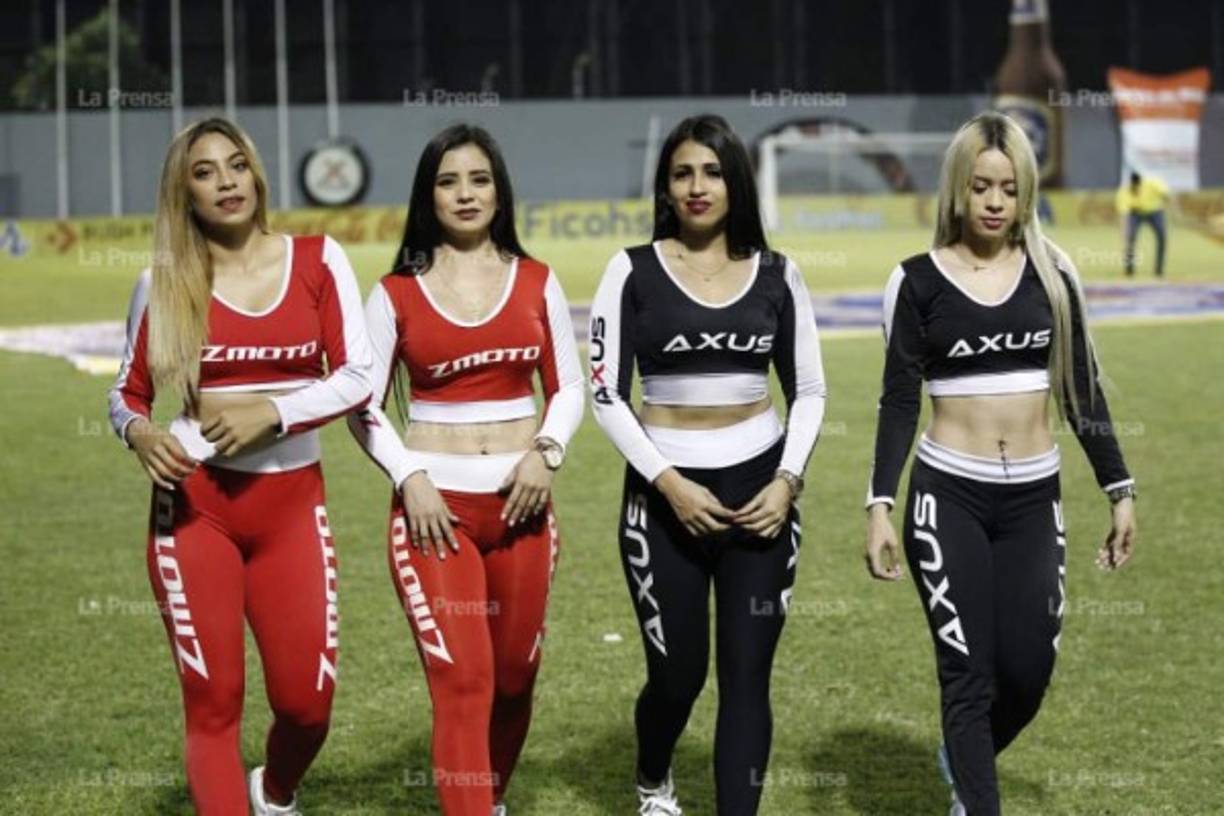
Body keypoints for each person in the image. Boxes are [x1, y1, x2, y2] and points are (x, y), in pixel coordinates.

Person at [863, 112, 1138, 816]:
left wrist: (1119, 488)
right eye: (981, 186)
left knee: (1027, 671)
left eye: (1008, 189)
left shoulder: (1053, 273)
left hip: (1031, 504)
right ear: (958, 188)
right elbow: (898, 402)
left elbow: (1083, 388)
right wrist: (880, 506)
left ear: (1025, 194)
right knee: (967, 675)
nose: (993, 202)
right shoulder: (916, 282)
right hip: (946, 497)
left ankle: (963, 758)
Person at [107, 117, 372, 815]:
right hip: (194, 511)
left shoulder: (319, 260)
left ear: (256, 174)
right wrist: (137, 432)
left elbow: (359, 376)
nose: (225, 181)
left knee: (307, 707)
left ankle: (275, 792)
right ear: (183, 194)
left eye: (235, 165)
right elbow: (126, 394)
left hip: (291, 509)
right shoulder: (162, 282)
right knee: (213, 705)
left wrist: (272, 414)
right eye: (204, 172)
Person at [588, 113, 827, 815]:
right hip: (663, 503)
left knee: (747, 679)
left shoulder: (779, 274)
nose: (698, 187)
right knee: (678, 676)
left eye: (713, 172)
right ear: (665, 185)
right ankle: (654, 779)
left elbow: (809, 391)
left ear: (736, 182)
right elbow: (605, 393)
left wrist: (787, 481)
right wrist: (667, 482)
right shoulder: (631, 270)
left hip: (762, 501)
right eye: (683, 173)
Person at [347, 124, 583, 816]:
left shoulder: (537, 280)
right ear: (428, 197)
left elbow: (569, 387)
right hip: (435, 515)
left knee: (514, 679)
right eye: (449, 181)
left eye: (479, 179)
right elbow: (360, 405)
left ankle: (488, 799)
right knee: (465, 683)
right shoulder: (394, 294)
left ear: (500, 191)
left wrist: (547, 452)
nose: (466, 193)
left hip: (522, 510)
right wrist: (408, 478)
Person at [1115, 170, 1169, 277]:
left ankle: (1159, 269)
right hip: (1135, 213)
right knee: (1130, 238)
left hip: (1154, 212)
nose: (1136, 188)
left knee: (1162, 237)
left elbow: (1166, 194)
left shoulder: (1152, 184)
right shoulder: (1124, 191)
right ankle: (1129, 269)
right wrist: (1125, 230)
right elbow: (1124, 215)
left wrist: (1166, 203)